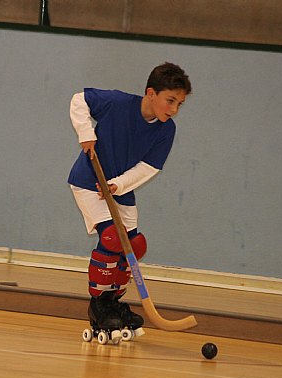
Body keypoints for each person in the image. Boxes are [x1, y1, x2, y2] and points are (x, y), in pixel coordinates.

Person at [68, 62, 192, 342]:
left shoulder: (166, 130)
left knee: (134, 245)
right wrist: (86, 134)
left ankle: (113, 302)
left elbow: (148, 168)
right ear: (151, 93)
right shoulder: (118, 103)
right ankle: (98, 305)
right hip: (88, 181)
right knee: (112, 239)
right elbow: (79, 99)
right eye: (169, 100)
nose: (173, 109)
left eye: (179, 104)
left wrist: (117, 185)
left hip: (119, 190)